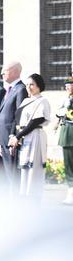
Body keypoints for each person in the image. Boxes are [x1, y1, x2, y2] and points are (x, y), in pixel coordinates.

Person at [7, 74, 51, 200]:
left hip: (35, 137)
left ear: (39, 86)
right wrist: (13, 136)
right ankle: (23, 197)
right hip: (23, 137)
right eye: (27, 85)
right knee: (23, 169)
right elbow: (17, 120)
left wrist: (18, 136)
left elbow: (35, 122)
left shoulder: (42, 101)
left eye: (32, 84)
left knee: (33, 170)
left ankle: (33, 198)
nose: (28, 87)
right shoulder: (26, 100)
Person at [0, 61, 27, 186]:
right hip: (3, 140)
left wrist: (14, 136)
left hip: (10, 140)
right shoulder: (9, 90)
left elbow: (18, 116)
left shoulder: (21, 89)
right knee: (5, 178)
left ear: (15, 72)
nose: (2, 73)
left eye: (5, 70)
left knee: (13, 178)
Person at [57, 77, 73, 205]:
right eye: (67, 86)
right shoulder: (65, 100)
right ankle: (71, 192)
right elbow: (59, 112)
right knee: (69, 166)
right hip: (67, 135)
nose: (68, 88)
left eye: (70, 86)